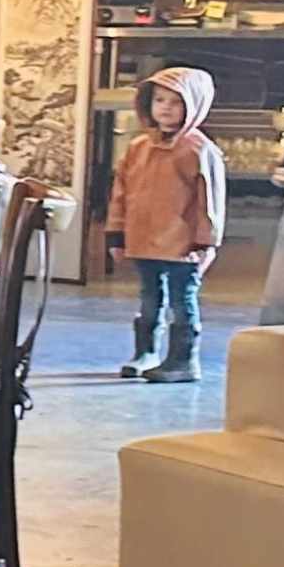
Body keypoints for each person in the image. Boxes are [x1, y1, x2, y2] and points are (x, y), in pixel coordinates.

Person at [106, 66, 225, 383]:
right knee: (149, 299)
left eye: (176, 102)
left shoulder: (199, 149)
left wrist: (206, 241)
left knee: (181, 302)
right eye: (159, 100)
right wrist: (116, 234)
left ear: (194, 104)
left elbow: (210, 200)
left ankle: (182, 360)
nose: (166, 108)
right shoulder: (137, 148)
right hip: (143, 240)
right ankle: (145, 352)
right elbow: (121, 193)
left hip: (182, 245)